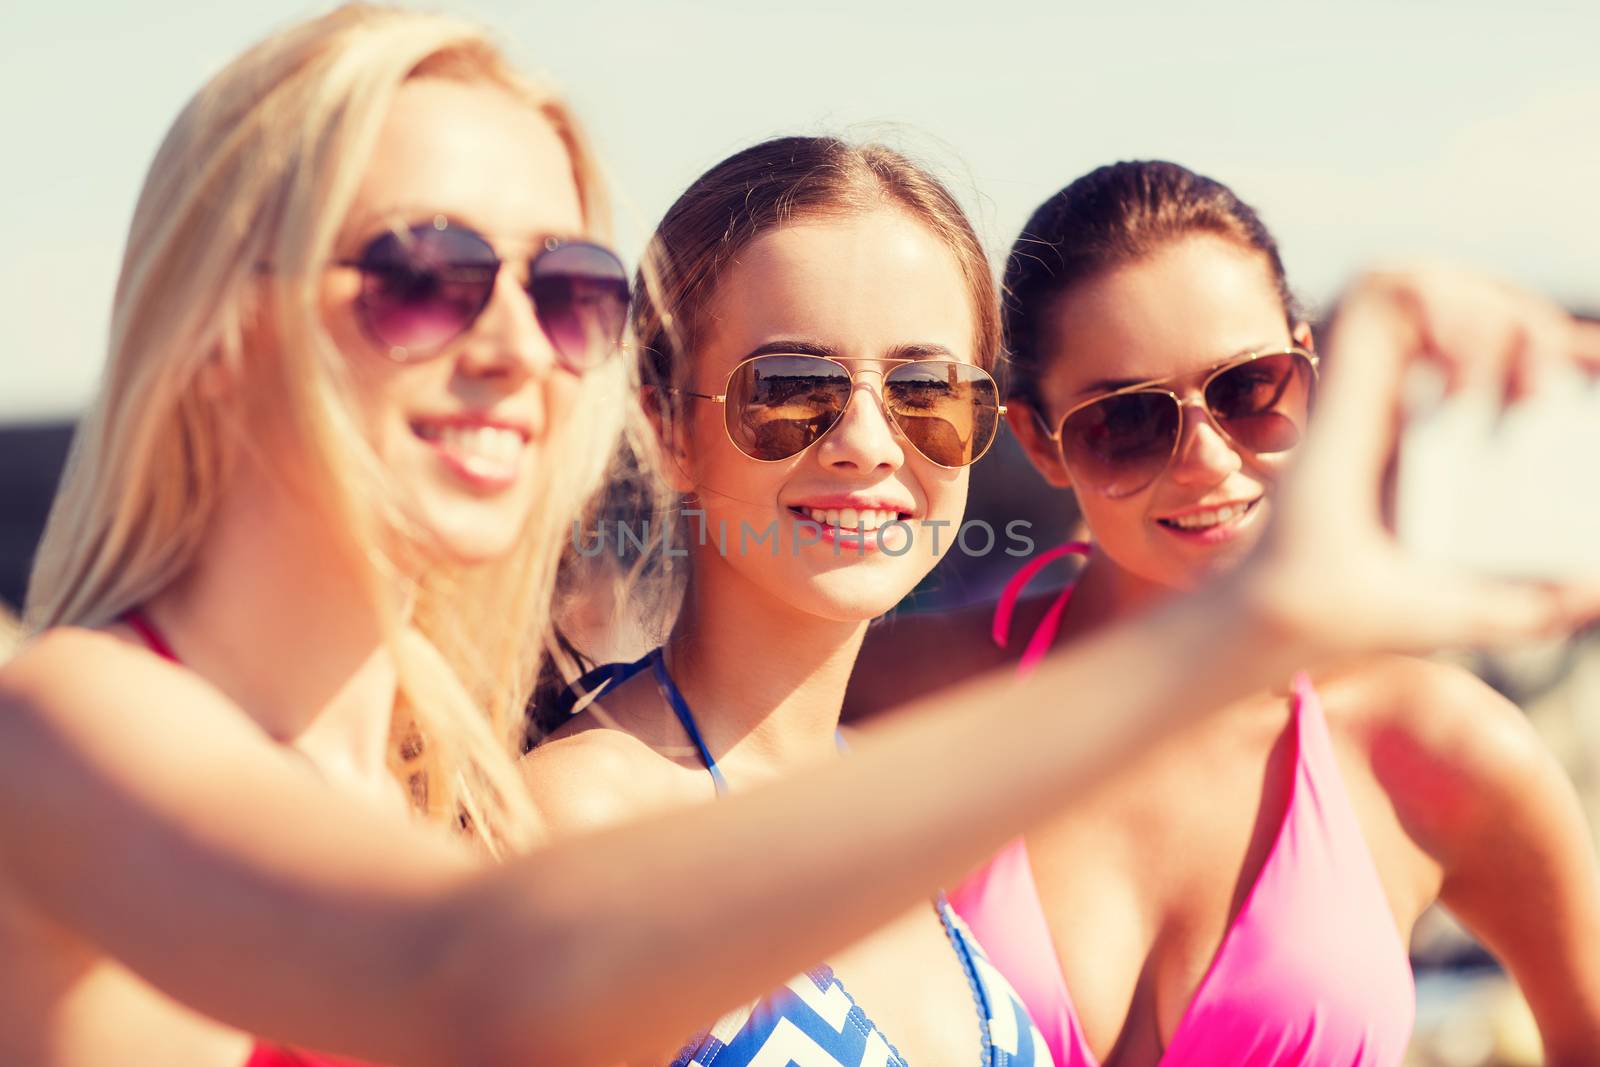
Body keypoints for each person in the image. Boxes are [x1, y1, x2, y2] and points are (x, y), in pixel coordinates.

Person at [0, 6, 1595, 1064]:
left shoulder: (435, 770)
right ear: (218, 317)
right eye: (419, 271)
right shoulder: (75, 722)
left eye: (560, 289)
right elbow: (475, 974)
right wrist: (1232, 632)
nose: (506, 342)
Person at [846, 161, 1600, 1067]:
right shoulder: (896, 694)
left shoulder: (1439, 746)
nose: (1206, 456)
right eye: (1126, 419)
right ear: (1043, 443)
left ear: (1312, 373)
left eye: (1250, 388)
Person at [528, 136, 1051, 1066]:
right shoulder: (586, 827)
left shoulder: (896, 809)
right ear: (666, 424)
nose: (866, 442)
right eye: (791, 388)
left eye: (925, 389)